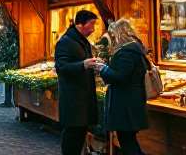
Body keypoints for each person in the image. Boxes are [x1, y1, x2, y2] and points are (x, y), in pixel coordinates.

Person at [96, 19, 149, 155]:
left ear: (119, 33)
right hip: (130, 101)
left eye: (113, 34)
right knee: (128, 140)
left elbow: (120, 77)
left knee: (127, 142)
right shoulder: (135, 48)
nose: (112, 38)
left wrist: (103, 69)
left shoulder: (127, 52)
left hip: (125, 104)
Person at [54, 9, 101, 155]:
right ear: (80, 24)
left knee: (79, 135)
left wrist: (94, 66)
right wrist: (84, 65)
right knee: (72, 137)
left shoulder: (81, 41)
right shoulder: (65, 42)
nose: (93, 29)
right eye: (91, 25)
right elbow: (61, 67)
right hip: (73, 100)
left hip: (83, 100)